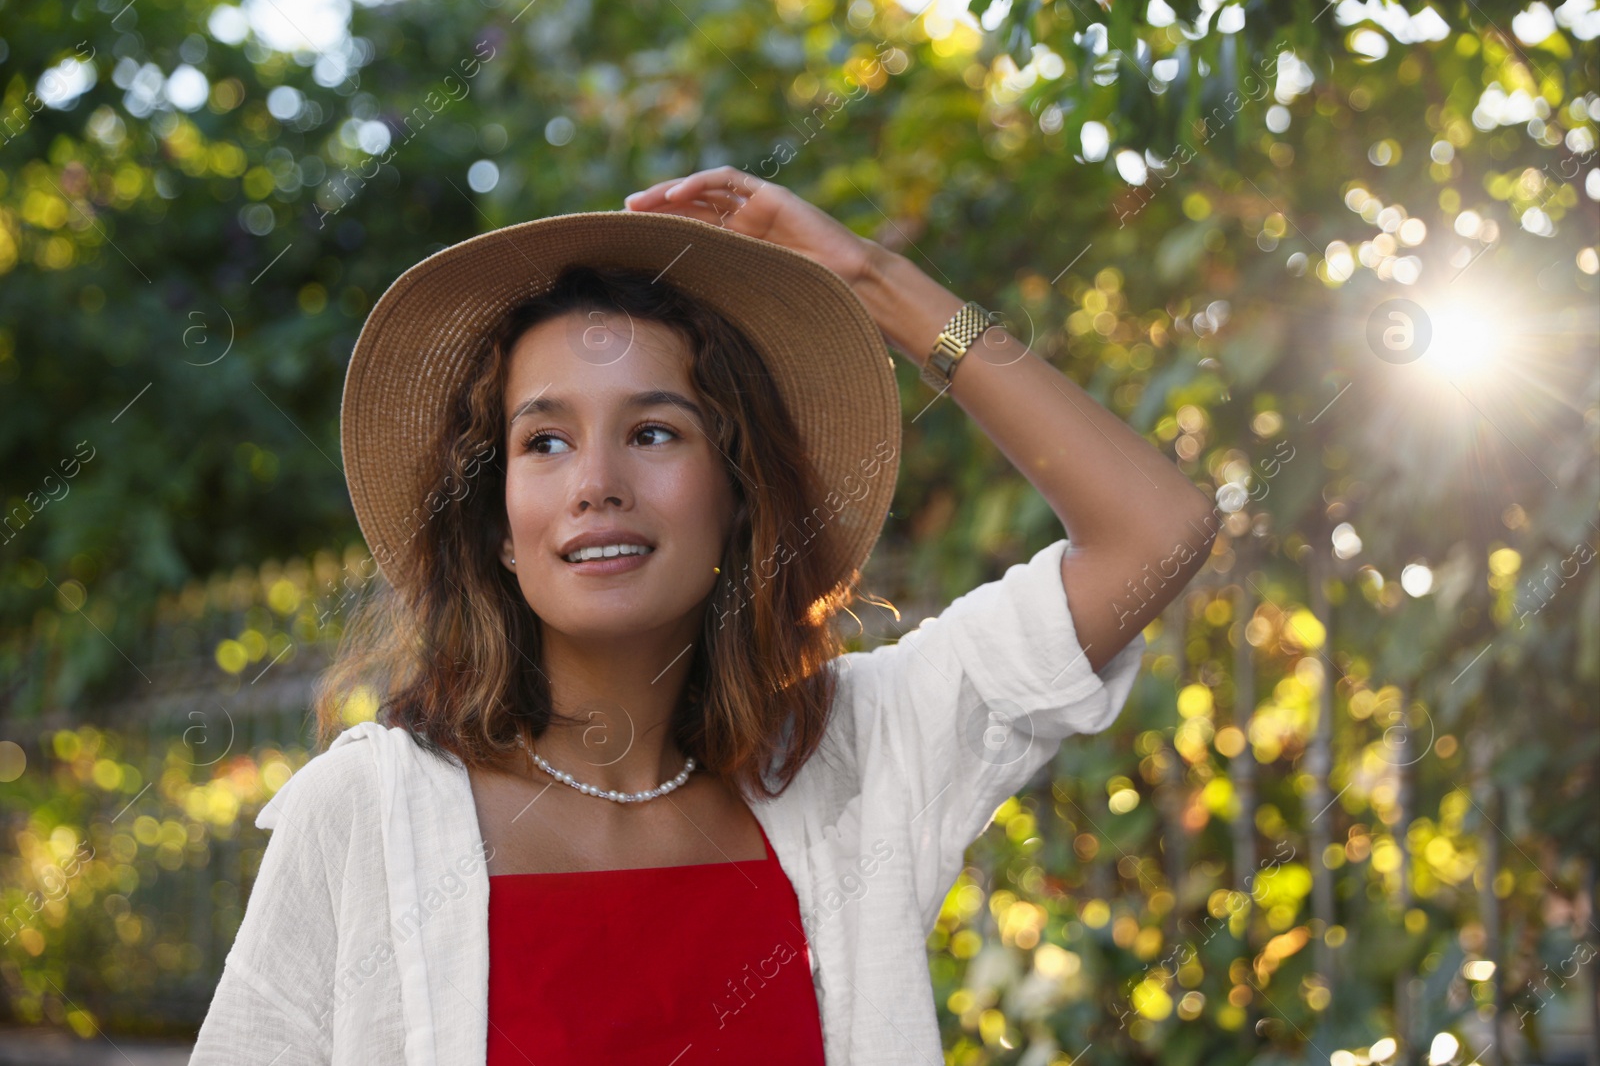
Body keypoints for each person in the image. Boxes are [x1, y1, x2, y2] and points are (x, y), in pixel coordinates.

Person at [189, 167, 1216, 1064]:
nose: (596, 481)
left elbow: (1157, 528)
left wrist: (873, 284)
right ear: (497, 523)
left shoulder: (856, 757)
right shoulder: (364, 812)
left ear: (736, 493)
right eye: (542, 442)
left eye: (653, 429)